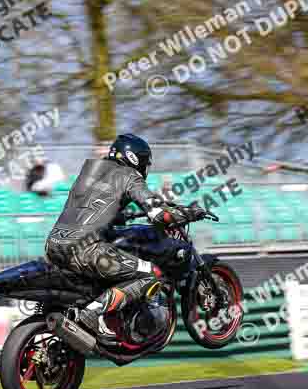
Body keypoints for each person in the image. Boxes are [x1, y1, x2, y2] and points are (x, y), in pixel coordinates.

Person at [44, 133, 204, 342]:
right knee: (151, 274)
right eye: (145, 161)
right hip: (86, 251)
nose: (146, 167)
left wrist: (120, 214)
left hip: (53, 245)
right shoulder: (128, 175)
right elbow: (159, 214)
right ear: (135, 158)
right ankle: (94, 313)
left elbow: (90, 208)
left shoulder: (90, 172)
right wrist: (188, 213)